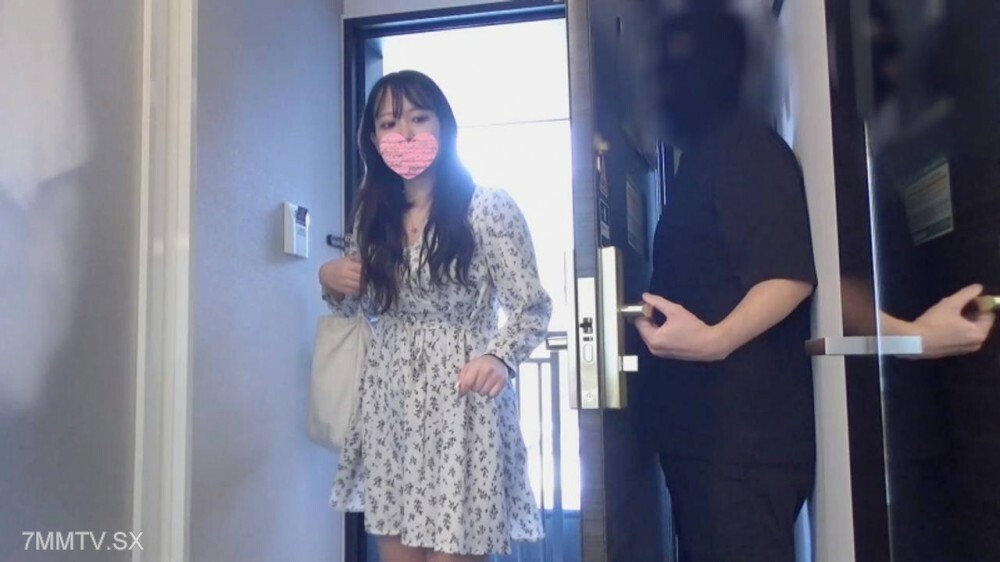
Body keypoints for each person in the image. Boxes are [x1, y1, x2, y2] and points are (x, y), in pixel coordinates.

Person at [318, 70, 551, 562]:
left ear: (443, 126)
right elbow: (360, 306)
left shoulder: (487, 207)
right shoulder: (371, 217)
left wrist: (499, 357)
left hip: (462, 405)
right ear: (373, 139)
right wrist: (329, 278)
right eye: (388, 123)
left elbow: (531, 306)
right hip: (390, 404)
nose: (404, 133)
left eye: (418, 118)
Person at [632, 11, 817, 562]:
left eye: (676, 67)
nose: (663, 85)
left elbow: (787, 275)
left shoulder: (746, 148)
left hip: (743, 448)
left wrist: (714, 340)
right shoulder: (704, 158)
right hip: (710, 443)